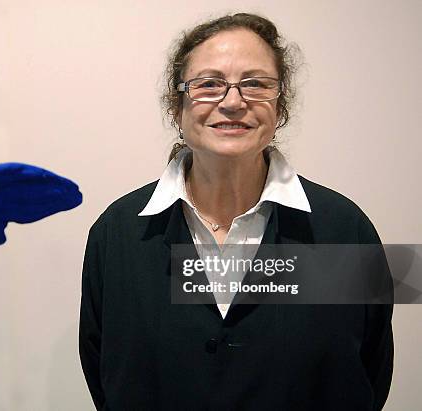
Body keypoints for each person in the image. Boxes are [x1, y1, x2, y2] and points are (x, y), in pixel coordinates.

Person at [79, 12, 393, 411]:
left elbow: (369, 372)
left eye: (256, 84)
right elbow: (104, 373)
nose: (232, 101)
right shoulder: (117, 233)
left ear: (279, 108)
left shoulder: (344, 228)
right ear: (177, 108)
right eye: (208, 85)